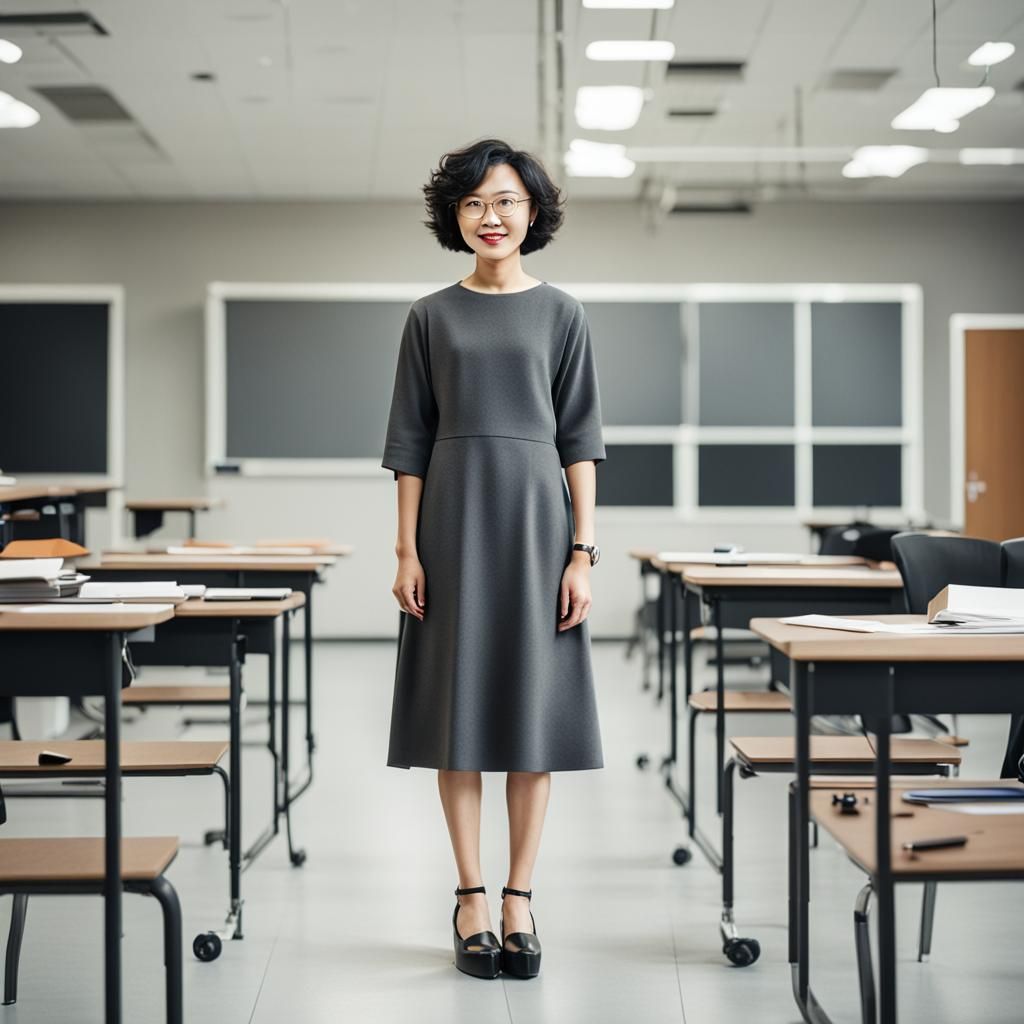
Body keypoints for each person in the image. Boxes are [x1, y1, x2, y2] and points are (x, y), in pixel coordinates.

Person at [381, 138, 606, 981]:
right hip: (451, 526)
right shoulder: (430, 316)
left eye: (506, 200)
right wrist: (406, 548)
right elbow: (407, 443)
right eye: (474, 203)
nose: (491, 216)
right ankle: (470, 894)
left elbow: (580, 442)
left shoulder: (563, 314)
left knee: (531, 719)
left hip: (538, 531)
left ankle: (520, 896)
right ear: (455, 216)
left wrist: (582, 552)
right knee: (460, 716)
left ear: (533, 213)